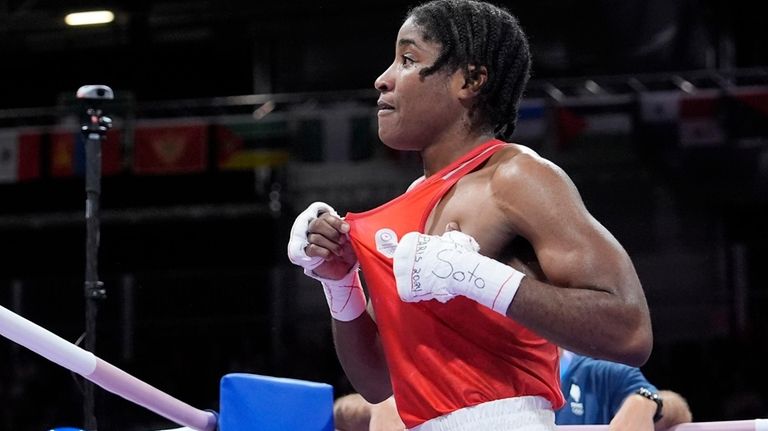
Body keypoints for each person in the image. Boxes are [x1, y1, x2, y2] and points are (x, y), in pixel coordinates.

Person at [287, 0, 653, 430]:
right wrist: (339, 281)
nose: (382, 79)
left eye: (408, 59)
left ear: (470, 80)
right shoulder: (410, 204)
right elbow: (378, 381)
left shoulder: (515, 176)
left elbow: (630, 332)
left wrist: (475, 275)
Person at [331, 349, 693, 431]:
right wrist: (385, 403)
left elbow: (675, 407)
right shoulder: (462, 371)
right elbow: (343, 412)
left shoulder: (598, 372)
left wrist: (645, 401)